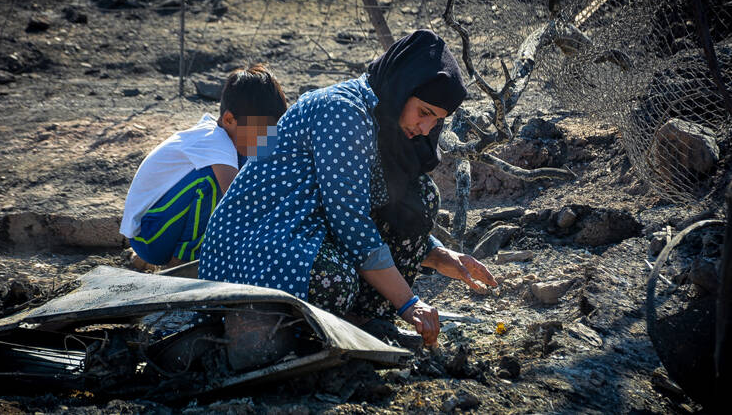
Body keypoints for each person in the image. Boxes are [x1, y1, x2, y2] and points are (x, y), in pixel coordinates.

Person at [199, 30, 496, 346]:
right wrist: (409, 303)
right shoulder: (344, 111)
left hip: (300, 231)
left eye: (436, 121)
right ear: (400, 88)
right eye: (424, 112)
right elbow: (350, 221)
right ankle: (302, 334)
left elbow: (385, 212)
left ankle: (364, 322)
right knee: (334, 279)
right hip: (250, 245)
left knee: (420, 196)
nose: (425, 129)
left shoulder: (382, 123)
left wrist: (439, 254)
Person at [120, 64, 286, 270]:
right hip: (149, 237)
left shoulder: (233, 142)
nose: (266, 142)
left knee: (245, 172)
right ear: (229, 119)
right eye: (261, 134)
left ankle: (160, 258)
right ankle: (181, 265)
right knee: (213, 183)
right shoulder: (214, 142)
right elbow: (238, 200)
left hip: (158, 231)